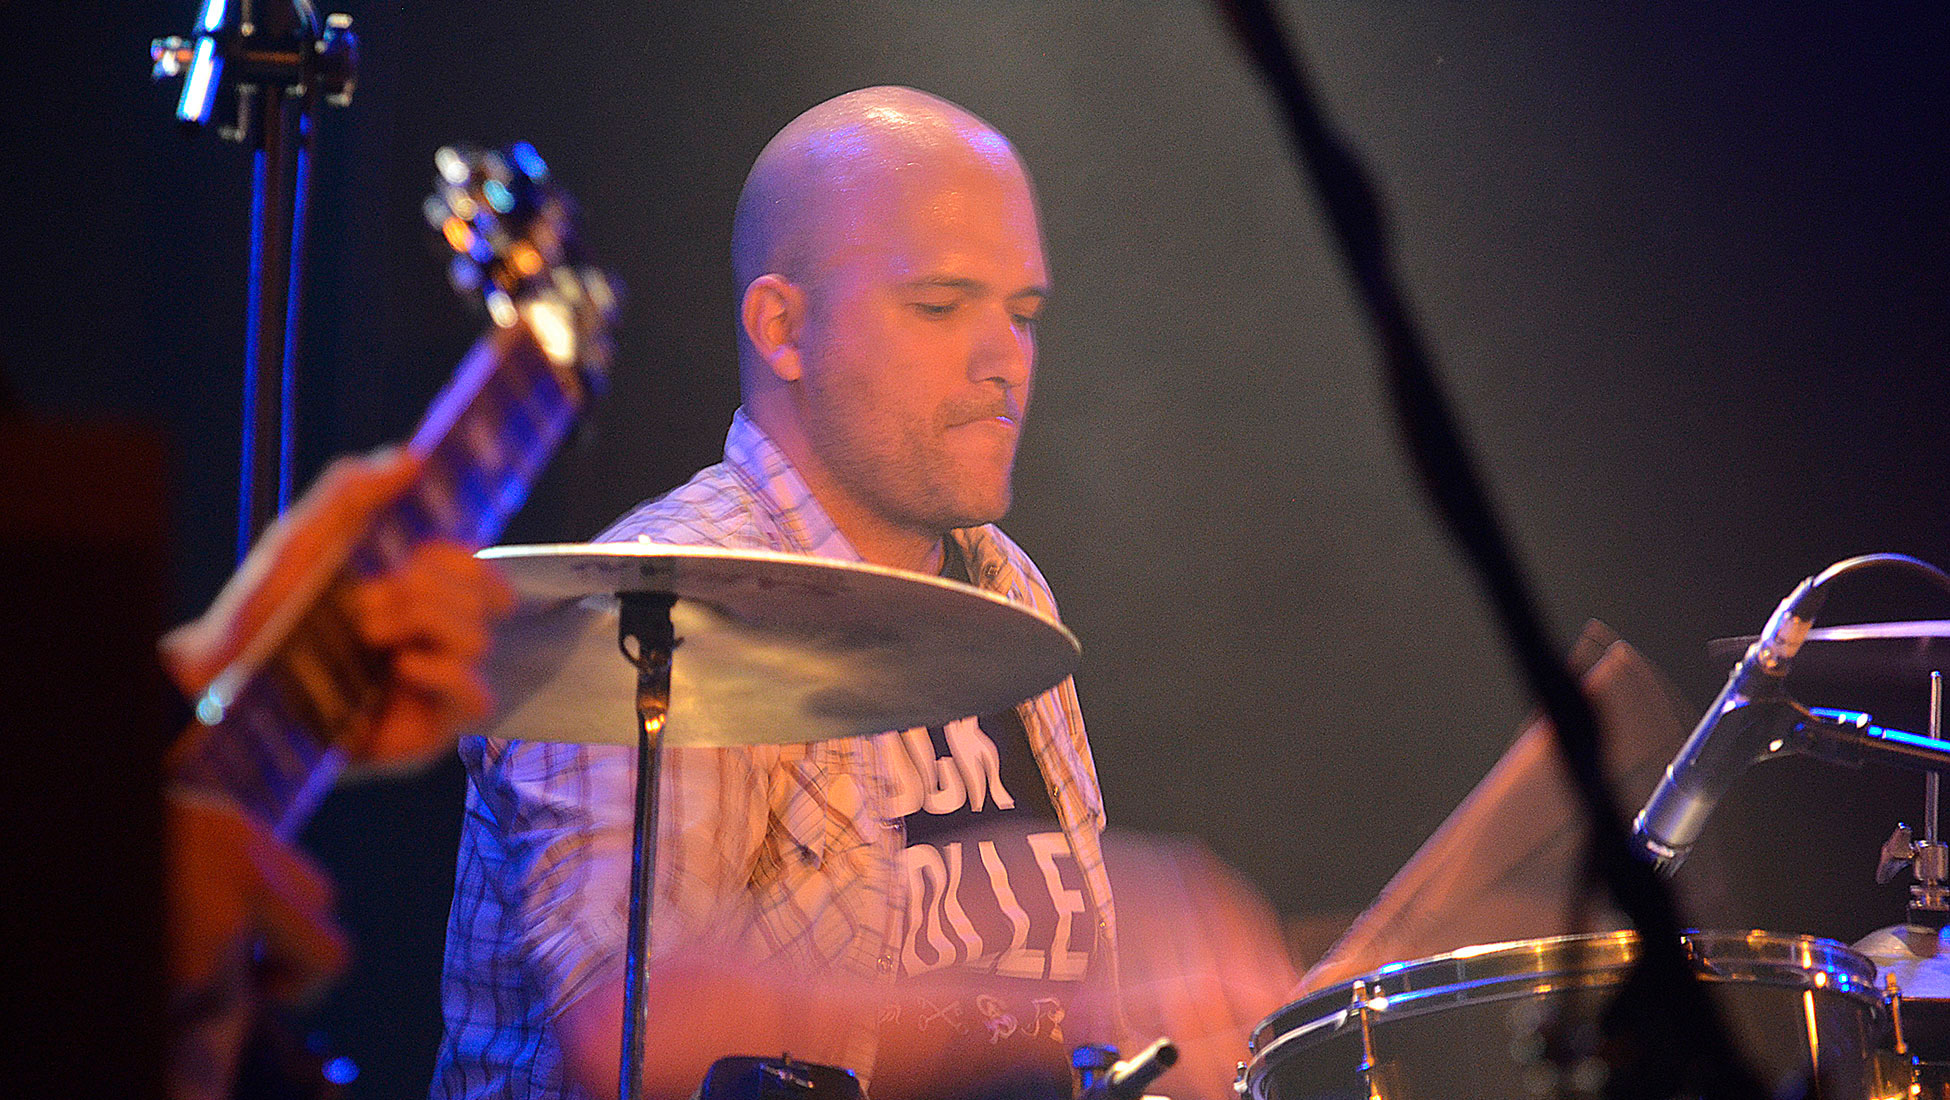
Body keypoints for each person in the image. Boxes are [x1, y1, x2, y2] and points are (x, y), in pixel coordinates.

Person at [434, 87, 1294, 1100]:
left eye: (1022, 314)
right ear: (784, 327)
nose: (1005, 361)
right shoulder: (651, 605)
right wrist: (1053, 992)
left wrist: (1185, 1007)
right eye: (940, 306)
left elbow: (1072, 1032)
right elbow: (630, 1022)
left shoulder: (1007, 582)